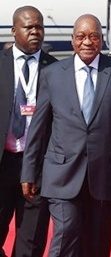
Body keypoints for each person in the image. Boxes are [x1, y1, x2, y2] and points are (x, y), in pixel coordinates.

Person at [21, 13, 111, 257]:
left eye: (93, 36)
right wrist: (29, 170)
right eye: (81, 36)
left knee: (97, 244)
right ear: (72, 41)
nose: (88, 42)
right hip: (61, 174)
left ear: (102, 39)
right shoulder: (53, 74)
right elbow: (39, 126)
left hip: (105, 175)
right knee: (66, 232)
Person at [0, 6, 57, 257]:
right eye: (29, 27)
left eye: (39, 27)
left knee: (31, 242)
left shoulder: (56, 70)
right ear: (14, 31)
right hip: (2, 162)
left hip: (36, 166)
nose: (35, 32)